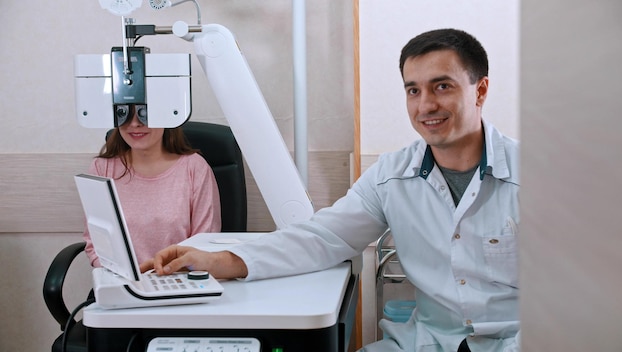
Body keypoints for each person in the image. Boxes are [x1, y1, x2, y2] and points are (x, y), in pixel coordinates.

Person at [142, 28, 520, 352]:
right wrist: (222, 261)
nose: (426, 105)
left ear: (480, 90)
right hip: (427, 342)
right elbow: (322, 238)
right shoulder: (391, 175)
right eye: (413, 90)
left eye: (442, 86)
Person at [83, 105, 222, 267]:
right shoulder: (102, 168)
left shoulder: (195, 168)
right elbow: (95, 243)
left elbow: (203, 244)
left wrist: (166, 274)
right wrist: (125, 277)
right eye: (124, 113)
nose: (134, 124)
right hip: (120, 280)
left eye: (145, 113)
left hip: (179, 281)